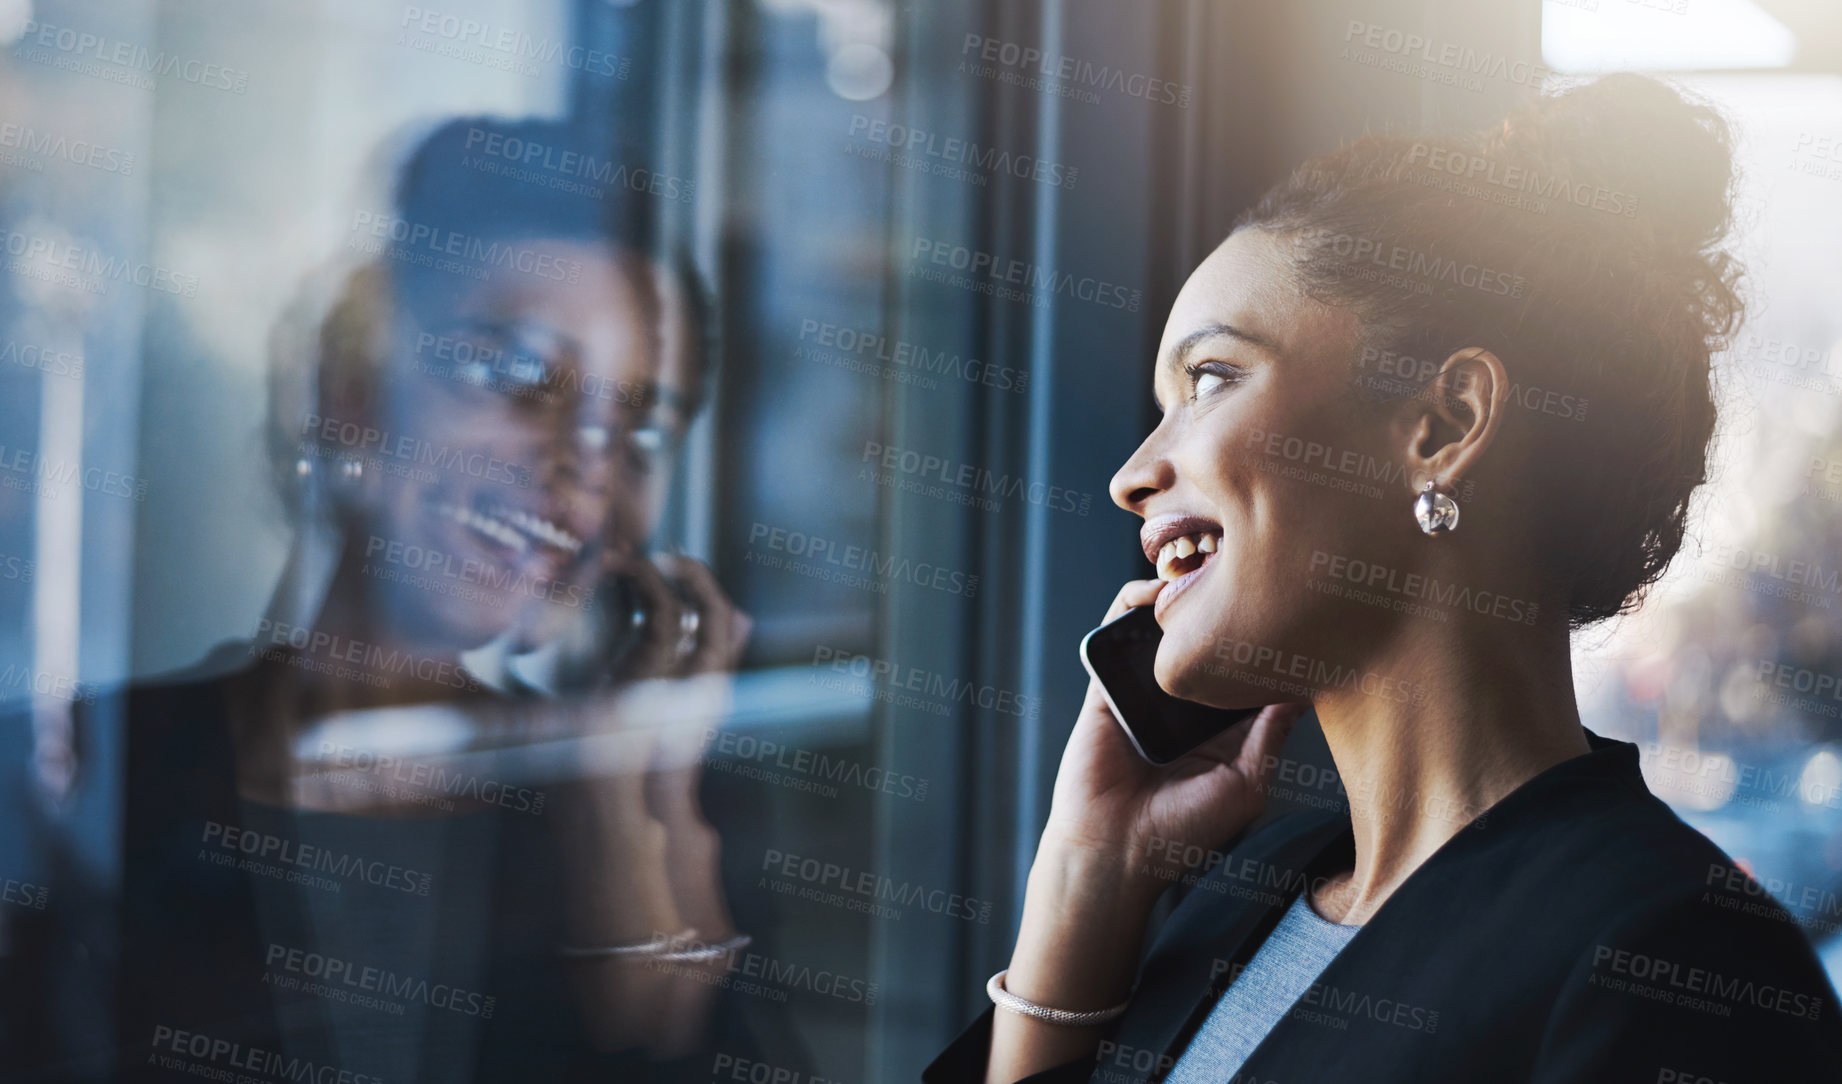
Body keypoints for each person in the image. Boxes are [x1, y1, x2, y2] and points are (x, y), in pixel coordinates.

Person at [925, 74, 1842, 1083]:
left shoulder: (1673, 961)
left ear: (1443, 426)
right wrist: (1086, 874)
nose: (1132, 475)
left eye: (1213, 378)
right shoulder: (1247, 890)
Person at [1, 117, 765, 1084]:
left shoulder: (672, 821)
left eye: (639, 426)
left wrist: (620, 805)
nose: (583, 466)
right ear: (351, 389)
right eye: (515, 372)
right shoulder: (71, 772)